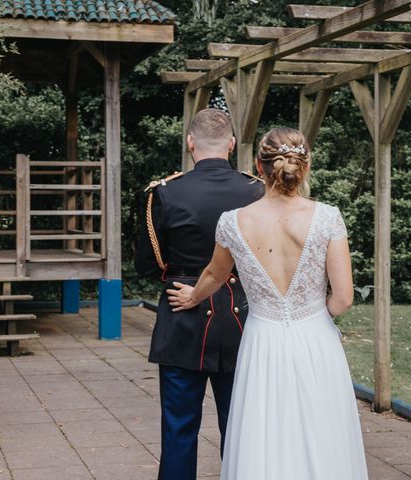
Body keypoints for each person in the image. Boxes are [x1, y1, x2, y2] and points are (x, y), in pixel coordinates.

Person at [168, 127, 369, 479]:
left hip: (262, 340)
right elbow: (344, 297)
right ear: (304, 168)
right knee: (320, 429)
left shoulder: (233, 221)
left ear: (259, 169)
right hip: (316, 340)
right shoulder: (327, 217)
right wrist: (314, 316)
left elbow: (214, 276)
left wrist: (191, 296)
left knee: (264, 431)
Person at [134, 108, 264, 480]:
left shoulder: (164, 192)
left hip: (181, 311)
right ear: (232, 144)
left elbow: (148, 262)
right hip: (243, 316)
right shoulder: (257, 190)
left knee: (178, 427)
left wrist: (185, 278)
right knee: (240, 427)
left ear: (190, 142)